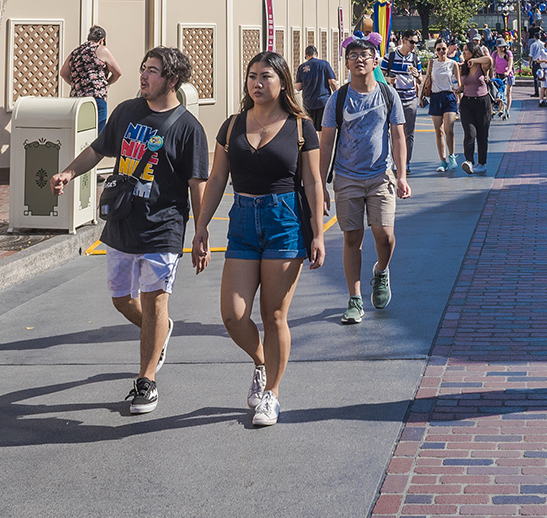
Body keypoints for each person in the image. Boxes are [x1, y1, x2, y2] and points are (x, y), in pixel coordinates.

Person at [51, 46, 208, 415]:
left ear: (171, 80)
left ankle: (146, 380)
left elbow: (197, 186)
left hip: (163, 226)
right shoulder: (125, 112)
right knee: (122, 299)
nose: (143, 75)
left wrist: (200, 233)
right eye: (143, 68)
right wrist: (68, 173)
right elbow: (99, 149)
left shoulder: (188, 128)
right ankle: (160, 330)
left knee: (155, 298)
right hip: (122, 221)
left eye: (152, 71)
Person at [194, 51, 326, 428]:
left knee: (274, 315)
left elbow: (314, 182)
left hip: (285, 219)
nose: (257, 82)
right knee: (233, 315)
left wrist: (317, 233)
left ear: (282, 81)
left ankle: (272, 394)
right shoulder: (232, 124)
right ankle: (262, 362)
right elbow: (218, 178)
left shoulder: (301, 127)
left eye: (266, 76)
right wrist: (201, 225)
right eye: (252, 76)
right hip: (242, 221)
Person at [320, 37, 411, 323]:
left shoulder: (387, 94)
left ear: (375, 60)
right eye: (353, 55)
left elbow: (398, 137)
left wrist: (402, 175)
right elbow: (325, 144)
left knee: (385, 236)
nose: (359, 59)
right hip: (347, 178)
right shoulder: (338, 99)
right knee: (352, 238)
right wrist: (321, 184)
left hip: (380, 175)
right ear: (346, 63)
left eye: (365, 54)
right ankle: (355, 298)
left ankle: (381, 271)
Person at [61, 24, 123, 127]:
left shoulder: (76, 52)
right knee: (98, 133)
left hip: (77, 100)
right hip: (96, 97)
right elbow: (118, 72)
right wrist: (107, 83)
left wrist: (76, 84)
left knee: (81, 131)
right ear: (101, 40)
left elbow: (63, 73)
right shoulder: (101, 49)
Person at [382, 33, 422, 172]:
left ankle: (406, 162)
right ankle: (394, 161)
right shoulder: (390, 57)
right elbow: (381, 76)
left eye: (416, 43)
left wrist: (418, 76)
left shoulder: (415, 58)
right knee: (394, 132)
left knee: (408, 134)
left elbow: (421, 79)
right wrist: (390, 80)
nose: (414, 45)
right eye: (412, 42)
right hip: (393, 99)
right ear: (404, 41)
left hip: (410, 98)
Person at [457, 40, 493, 173]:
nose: (464, 52)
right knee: (470, 132)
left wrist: (475, 61)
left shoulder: (481, 66)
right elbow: (464, 85)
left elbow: (489, 59)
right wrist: (458, 89)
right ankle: (469, 161)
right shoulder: (464, 67)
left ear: (473, 51)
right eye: (463, 49)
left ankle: (482, 163)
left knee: (482, 134)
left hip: (482, 102)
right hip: (467, 102)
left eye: (466, 50)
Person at [427, 41, 461, 172]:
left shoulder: (453, 64)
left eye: (444, 48)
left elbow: (459, 83)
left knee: (449, 129)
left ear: (448, 49)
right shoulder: (432, 63)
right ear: (435, 51)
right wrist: (421, 96)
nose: (441, 51)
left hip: (449, 96)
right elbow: (428, 79)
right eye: (438, 49)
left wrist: (460, 97)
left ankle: (452, 156)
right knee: (439, 131)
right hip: (436, 97)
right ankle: (442, 160)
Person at [296, 44, 336, 122]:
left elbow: (298, 87)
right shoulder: (324, 64)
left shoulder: (301, 67)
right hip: (323, 102)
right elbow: (332, 82)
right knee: (323, 127)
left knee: (311, 127)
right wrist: (338, 94)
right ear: (316, 54)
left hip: (308, 102)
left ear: (306, 55)